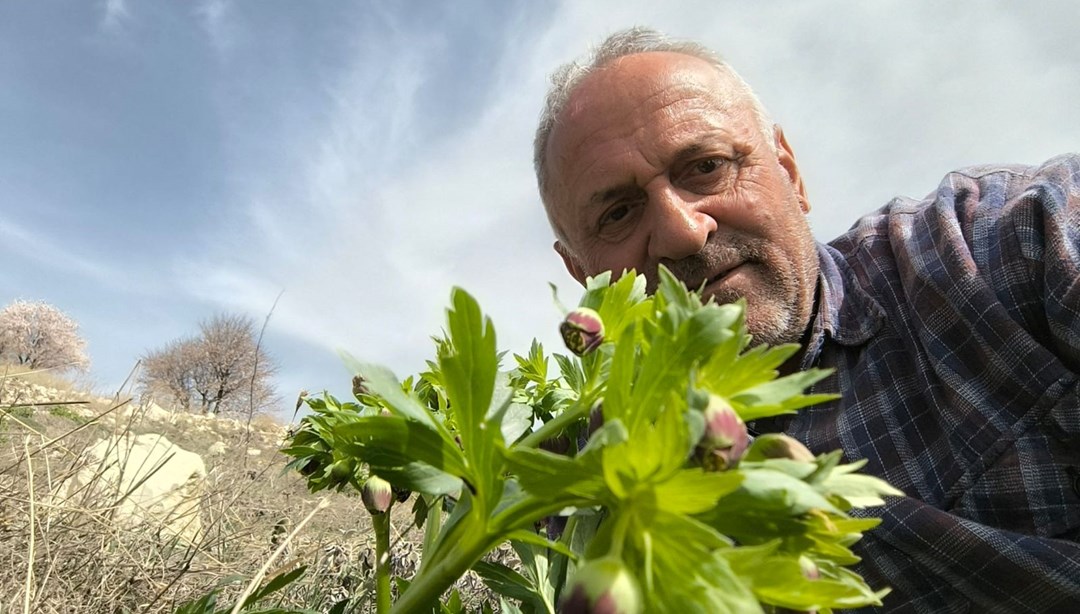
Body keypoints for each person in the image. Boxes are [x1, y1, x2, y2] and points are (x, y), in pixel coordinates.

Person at [534, 26, 1080, 613]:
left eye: (706, 166)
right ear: (578, 270)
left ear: (790, 172)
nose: (682, 232)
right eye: (618, 213)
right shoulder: (577, 498)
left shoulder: (997, 246)